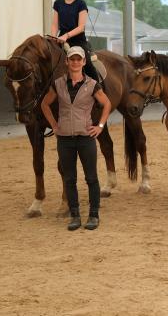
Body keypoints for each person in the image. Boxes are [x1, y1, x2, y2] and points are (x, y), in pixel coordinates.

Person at [40, 46, 111, 231]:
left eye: (79, 59)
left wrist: (100, 126)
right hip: (64, 140)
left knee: (91, 178)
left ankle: (94, 215)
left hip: (86, 138)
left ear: (84, 62)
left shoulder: (92, 84)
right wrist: (54, 125)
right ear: (67, 62)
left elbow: (106, 104)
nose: (75, 62)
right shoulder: (58, 83)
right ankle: (75, 215)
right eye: (72, 59)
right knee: (69, 179)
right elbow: (45, 104)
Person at [51, 0, 100, 85]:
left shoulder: (81, 4)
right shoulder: (58, 4)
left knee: (87, 64)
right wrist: (53, 37)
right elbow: (54, 24)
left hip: (78, 40)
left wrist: (66, 36)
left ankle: (98, 89)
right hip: (61, 40)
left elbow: (81, 27)